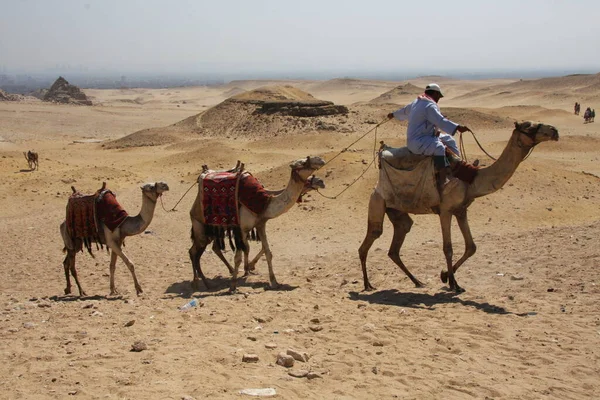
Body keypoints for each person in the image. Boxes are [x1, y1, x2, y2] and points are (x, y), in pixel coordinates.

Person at [387, 83, 471, 196]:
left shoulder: (417, 102)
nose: (438, 99)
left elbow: (403, 111)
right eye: (438, 96)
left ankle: (457, 166)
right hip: (419, 141)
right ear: (435, 93)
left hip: (426, 137)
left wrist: (393, 114)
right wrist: (457, 127)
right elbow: (440, 121)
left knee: (449, 139)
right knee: (439, 147)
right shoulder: (429, 105)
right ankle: (443, 180)